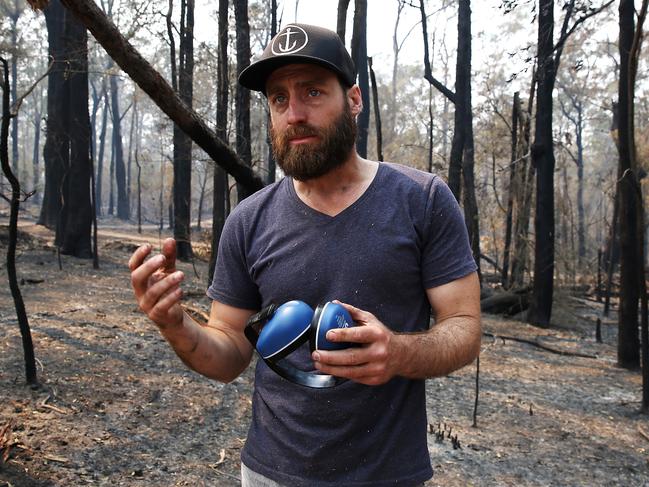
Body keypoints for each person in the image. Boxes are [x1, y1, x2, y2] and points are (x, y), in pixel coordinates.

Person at [129, 23, 481, 487]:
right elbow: (230, 350)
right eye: (279, 98)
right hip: (270, 473)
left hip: (388, 475)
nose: (293, 113)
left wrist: (398, 353)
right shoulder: (250, 220)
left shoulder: (422, 200)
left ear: (353, 100)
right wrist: (175, 326)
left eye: (312, 92)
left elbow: (464, 327)